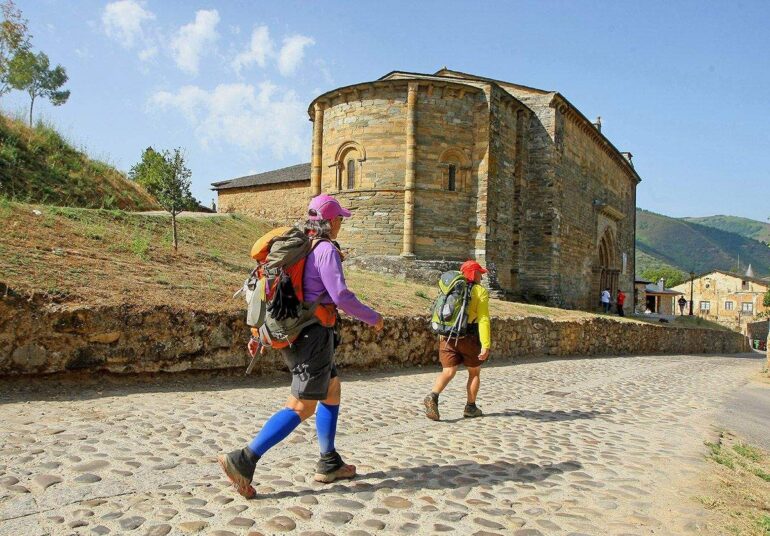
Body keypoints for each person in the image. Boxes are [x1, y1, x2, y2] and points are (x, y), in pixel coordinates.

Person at [218, 194, 384, 498]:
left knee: (332, 389)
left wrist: (258, 334)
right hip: (311, 337)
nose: (341, 225)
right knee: (301, 405)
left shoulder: (295, 245)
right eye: (340, 220)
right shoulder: (324, 251)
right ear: (332, 222)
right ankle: (244, 459)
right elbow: (342, 297)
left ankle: (329, 461)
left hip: (292, 331)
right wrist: (374, 319)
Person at [424, 260, 490, 421]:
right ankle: (471, 407)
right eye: (479, 273)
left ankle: (433, 396)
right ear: (473, 274)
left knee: (448, 371)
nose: (481, 276)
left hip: (447, 336)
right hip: (470, 337)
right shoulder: (479, 291)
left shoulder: (450, 289)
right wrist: (486, 345)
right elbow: (483, 319)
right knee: (474, 372)